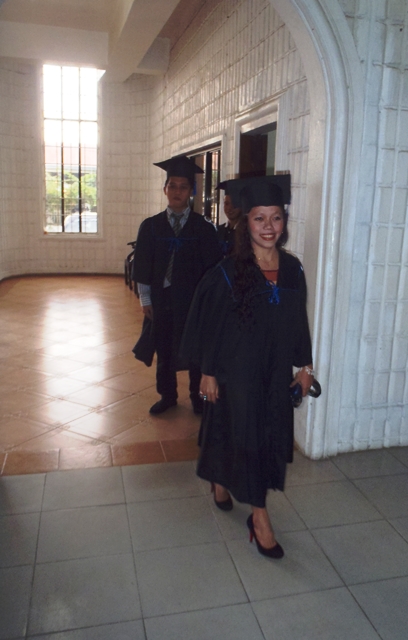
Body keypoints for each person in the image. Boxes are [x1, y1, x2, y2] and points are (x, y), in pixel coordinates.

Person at [181, 174, 314, 559]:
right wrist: (208, 371)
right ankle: (259, 518)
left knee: (249, 433)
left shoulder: (293, 270)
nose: (269, 227)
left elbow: (298, 322)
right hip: (235, 370)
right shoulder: (228, 272)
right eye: (259, 218)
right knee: (247, 436)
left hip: (274, 373)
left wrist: (305, 366)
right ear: (246, 223)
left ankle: (219, 480)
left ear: (284, 222)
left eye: (276, 217)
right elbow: (209, 324)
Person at [133, 155, 222, 415]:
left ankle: (197, 397)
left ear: (191, 191)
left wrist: (208, 304)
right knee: (163, 348)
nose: (177, 192)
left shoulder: (204, 229)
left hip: (192, 301)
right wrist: (145, 299)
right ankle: (168, 395)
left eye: (183, 187)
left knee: (195, 350)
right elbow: (143, 265)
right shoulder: (150, 227)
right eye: (172, 186)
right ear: (165, 189)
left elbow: (212, 271)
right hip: (161, 299)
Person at [216, 181, 242, 256]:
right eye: (226, 203)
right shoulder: (218, 231)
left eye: (234, 204)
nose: (230, 208)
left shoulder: (246, 232)